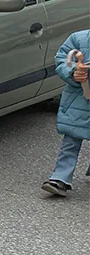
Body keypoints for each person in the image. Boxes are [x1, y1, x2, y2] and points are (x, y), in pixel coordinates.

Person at [40, 30, 90, 197]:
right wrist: (73, 71)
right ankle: (60, 177)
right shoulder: (79, 39)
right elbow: (62, 60)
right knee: (71, 139)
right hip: (79, 99)